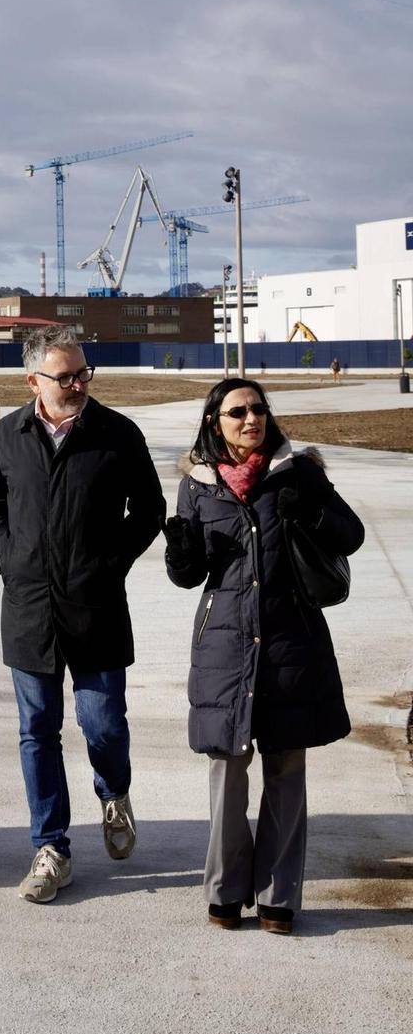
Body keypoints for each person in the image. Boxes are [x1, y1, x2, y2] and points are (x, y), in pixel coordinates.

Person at [164, 378, 364, 933]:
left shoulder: (298, 471)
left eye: (258, 409)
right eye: (237, 412)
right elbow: (191, 576)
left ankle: (279, 896)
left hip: (290, 642)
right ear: (215, 423)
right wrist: (179, 552)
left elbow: (352, 535)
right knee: (227, 769)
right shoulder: (199, 484)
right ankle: (225, 890)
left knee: (286, 767)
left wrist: (311, 510)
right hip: (226, 643)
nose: (251, 419)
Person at [0, 327, 164, 903]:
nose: (79, 383)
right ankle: (51, 847)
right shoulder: (9, 432)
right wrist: (11, 562)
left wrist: (109, 564)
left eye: (84, 372)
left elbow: (151, 507)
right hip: (29, 610)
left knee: (102, 723)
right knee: (37, 732)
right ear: (33, 379)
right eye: (66, 376)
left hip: (96, 607)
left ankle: (114, 794)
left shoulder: (116, 432)